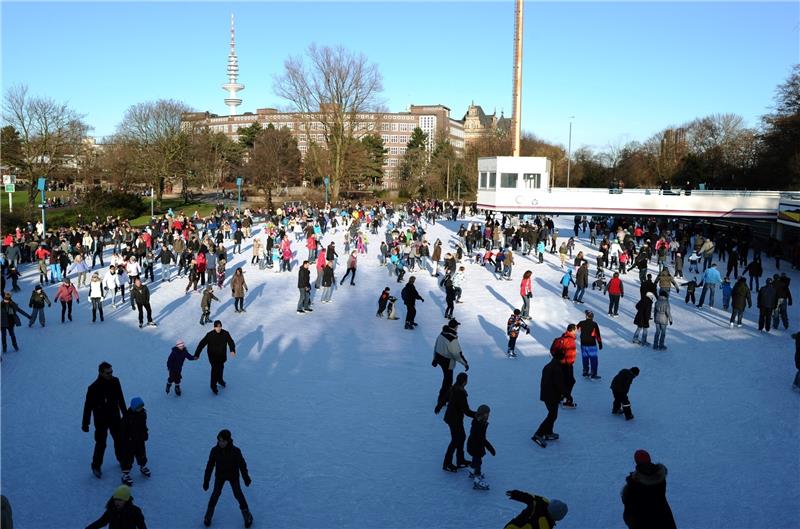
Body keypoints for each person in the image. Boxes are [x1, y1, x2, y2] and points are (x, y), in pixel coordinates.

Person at [82, 362, 127, 479]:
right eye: (108, 373)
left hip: (115, 418)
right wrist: (85, 423)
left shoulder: (115, 382)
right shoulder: (93, 388)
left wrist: (126, 415)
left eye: (112, 371)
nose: (111, 374)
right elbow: (88, 407)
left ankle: (122, 460)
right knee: (101, 443)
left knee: (119, 439)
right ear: (101, 373)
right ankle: (96, 466)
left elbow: (121, 399)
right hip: (101, 421)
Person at [203, 429, 253, 528]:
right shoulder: (214, 451)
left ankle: (247, 515)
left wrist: (246, 477)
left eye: (222, 441)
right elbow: (209, 466)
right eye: (219, 440)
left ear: (228, 441)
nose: (220, 443)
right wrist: (206, 480)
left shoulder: (236, 451)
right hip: (220, 476)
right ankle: (208, 515)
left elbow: (242, 465)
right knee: (215, 494)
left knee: (238, 494)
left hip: (233, 476)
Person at [621, 449, 677, 529]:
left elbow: (629, 516)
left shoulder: (633, 486)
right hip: (666, 522)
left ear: (636, 462)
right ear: (649, 459)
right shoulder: (660, 478)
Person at [432, 319, 468, 414]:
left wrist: (435, 358)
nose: (458, 327)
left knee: (447, 381)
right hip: (447, 362)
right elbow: (457, 354)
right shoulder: (452, 339)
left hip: (439, 358)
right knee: (448, 382)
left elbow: (436, 345)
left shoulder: (442, 333)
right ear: (455, 327)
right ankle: (443, 400)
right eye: (457, 326)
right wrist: (465, 363)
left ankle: (442, 399)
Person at [532, 349, 566, 448]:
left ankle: (548, 432)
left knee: (552, 414)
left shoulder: (548, 366)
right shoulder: (557, 368)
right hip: (551, 395)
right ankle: (538, 434)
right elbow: (559, 384)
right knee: (552, 415)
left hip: (547, 394)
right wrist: (567, 394)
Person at [442, 372, 475, 472]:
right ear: (465, 382)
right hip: (454, 419)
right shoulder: (460, 392)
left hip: (452, 418)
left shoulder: (454, 387)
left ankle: (460, 460)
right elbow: (466, 410)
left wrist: (439, 405)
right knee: (455, 440)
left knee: (461, 437)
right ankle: (447, 463)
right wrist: (478, 415)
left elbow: (445, 398)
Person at [194, 320, 236, 394]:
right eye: (217, 327)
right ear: (214, 327)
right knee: (215, 370)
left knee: (221, 367)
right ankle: (213, 386)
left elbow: (231, 342)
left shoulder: (225, 333)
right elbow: (202, 344)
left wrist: (232, 350)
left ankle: (220, 380)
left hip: (222, 355)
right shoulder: (210, 335)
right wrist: (197, 354)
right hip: (213, 356)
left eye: (220, 327)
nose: (219, 328)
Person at [119, 397, 150, 486]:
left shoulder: (143, 414)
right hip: (129, 441)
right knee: (128, 457)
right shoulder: (127, 417)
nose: (140, 408)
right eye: (138, 407)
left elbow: (143, 426)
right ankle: (125, 473)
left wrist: (145, 433)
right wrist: (126, 439)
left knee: (142, 453)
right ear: (133, 407)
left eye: (141, 406)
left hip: (140, 439)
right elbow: (123, 430)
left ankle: (143, 466)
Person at [504, 490, 568, 529]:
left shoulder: (542, 501)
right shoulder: (544, 525)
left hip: (512, 526)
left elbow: (528, 497)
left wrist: (515, 494)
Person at [466, 404, 495, 490]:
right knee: (478, 461)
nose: (488, 415)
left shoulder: (481, 422)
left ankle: (473, 470)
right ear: (482, 414)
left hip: (475, 445)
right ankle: (477, 480)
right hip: (475, 446)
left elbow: (481, 438)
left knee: (476, 459)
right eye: (487, 413)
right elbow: (481, 438)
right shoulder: (479, 424)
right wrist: (490, 448)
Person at [577, 310, 603, 378]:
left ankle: (585, 371)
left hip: (583, 344)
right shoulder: (594, 324)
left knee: (585, 358)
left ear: (586, 316)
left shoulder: (581, 323)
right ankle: (593, 373)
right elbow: (597, 335)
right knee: (593, 359)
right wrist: (600, 343)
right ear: (592, 317)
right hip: (592, 345)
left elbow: (577, 329)